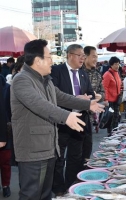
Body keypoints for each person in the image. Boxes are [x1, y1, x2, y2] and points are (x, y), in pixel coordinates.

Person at [10, 39, 104, 200]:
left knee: (45, 193)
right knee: (31, 194)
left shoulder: (45, 80)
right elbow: (38, 104)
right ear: (38, 61)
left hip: (48, 147)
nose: (52, 61)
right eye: (48, 57)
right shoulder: (22, 80)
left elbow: (61, 97)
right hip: (32, 149)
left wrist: (87, 104)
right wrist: (66, 116)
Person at [51, 44, 102, 196]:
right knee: (59, 158)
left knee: (76, 157)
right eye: (80, 55)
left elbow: (91, 94)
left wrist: (88, 98)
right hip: (62, 120)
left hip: (80, 120)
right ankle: (59, 189)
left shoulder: (83, 74)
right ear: (70, 55)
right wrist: (75, 99)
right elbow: (54, 95)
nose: (82, 58)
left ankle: (71, 186)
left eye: (83, 56)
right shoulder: (56, 71)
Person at [83, 46, 107, 126]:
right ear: (85, 56)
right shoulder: (77, 72)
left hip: (91, 117)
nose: (96, 59)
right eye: (93, 56)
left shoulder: (97, 74)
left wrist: (100, 96)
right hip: (77, 115)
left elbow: (103, 92)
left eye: (97, 57)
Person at [102, 56, 122, 135]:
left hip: (116, 100)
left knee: (116, 117)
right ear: (111, 65)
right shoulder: (107, 74)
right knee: (110, 118)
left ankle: (115, 133)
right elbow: (104, 87)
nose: (117, 66)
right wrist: (106, 99)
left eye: (118, 64)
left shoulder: (117, 73)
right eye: (115, 64)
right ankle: (110, 134)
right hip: (110, 100)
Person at [0, 74, 10, 198]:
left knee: (4, 162)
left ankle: (6, 185)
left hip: (3, 130)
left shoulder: (6, 86)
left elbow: (3, 111)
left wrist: (2, 137)